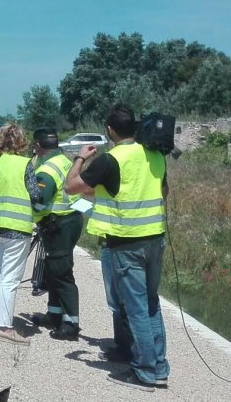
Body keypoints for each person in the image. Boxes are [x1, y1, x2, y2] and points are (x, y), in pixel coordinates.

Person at [66, 104, 169, 392]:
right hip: (154, 239)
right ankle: (159, 366)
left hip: (126, 242)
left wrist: (79, 158)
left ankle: (146, 373)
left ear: (109, 130)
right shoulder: (155, 155)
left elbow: (71, 187)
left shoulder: (110, 160)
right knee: (150, 304)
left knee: (135, 308)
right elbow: (164, 192)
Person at [0, 123, 37, 345]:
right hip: (17, 226)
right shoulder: (25, 164)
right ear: (22, 142)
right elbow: (35, 194)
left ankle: (0, 320)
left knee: (0, 273)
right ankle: (4, 327)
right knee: (11, 278)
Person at [29, 127, 84, 340]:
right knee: (53, 270)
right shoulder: (63, 160)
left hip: (58, 224)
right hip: (70, 219)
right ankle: (54, 315)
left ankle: (71, 324)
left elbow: (40, 203)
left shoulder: (48, 170)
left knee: (61, 272)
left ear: (38, 146)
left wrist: (30, 214)